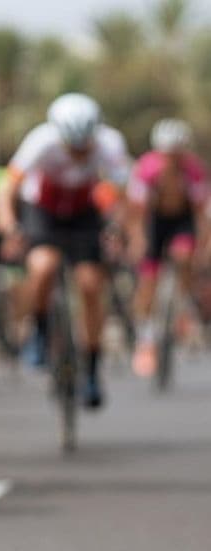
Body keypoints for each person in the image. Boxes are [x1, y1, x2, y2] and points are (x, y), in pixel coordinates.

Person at [0, 93, 133, 409]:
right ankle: (40, 330)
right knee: (43, 266)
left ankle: (92, 369)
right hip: (43, 210)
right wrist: (9, 227)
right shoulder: (41, 142)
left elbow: (123, 196)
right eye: (73, 148)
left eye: (85, 148)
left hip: (84, 212)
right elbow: (7, 189)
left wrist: (117, 229)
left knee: (90, 285)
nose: (79, 154)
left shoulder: (110, 143)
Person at [126, 119, 210, 376]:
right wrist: (137, 239)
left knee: (184, 256)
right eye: (167, 154)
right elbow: (136, 211)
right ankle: (145, 337)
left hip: (181, 221)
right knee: (148, 279)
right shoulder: (147, 169)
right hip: (154, 221)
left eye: (176, 154)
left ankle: (182, 303)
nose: (172, 159)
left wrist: (203, 246)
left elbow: (200, 212)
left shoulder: (193, 170)